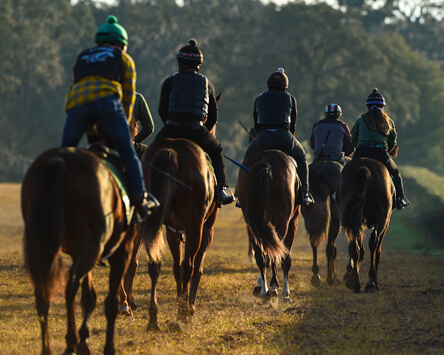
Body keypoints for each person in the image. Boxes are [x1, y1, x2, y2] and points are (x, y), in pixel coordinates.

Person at [61, 15, 157, 219]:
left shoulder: (83, 56)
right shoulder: (123, 58)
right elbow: (128, 101)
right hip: (107, 103)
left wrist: (93, 135)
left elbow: (78, 91)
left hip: (76, 105)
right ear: (121, 44)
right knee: (127, 151)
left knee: (65, 151)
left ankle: (56, 192)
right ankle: (140, 199)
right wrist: (118, 130)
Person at [156, 39, 234, 205]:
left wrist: (171, 125)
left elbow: (162, 110)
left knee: (152, 151)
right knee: (217, 150)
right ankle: (222, 189)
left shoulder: (169, 82)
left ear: (181, 63)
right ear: (199, 65)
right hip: (197, 130)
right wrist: (204, 130)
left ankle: (145, 189)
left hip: (172, 128)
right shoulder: (208, 85)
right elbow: (212, 117)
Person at [244, 68, 314, 205]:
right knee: (302, 157)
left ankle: (242, 195)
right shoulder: (290, 98)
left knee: (247, 158)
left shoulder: (259, 98)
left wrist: (261, 135)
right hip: (284, 137)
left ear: (268, 84)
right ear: (285, 86)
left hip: (263, 137)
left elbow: (256, 121)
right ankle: (305, 194)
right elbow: (293, 123)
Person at [351, 88, 410, 210]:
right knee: (396, 174)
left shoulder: (361, 120)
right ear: (383, 106)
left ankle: (337, 194)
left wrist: (359, 146)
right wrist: (387, 151)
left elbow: (353, 138)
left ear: (368, 106)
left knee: (347, 170)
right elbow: (392, 140)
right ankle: (400, 199)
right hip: (380, 153)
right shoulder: (388, 121)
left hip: (361, 152)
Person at [132, 92, 155, 158]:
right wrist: (134, 141)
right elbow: (149, 128)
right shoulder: (137, 97)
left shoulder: (103, 95)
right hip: (129, 143)